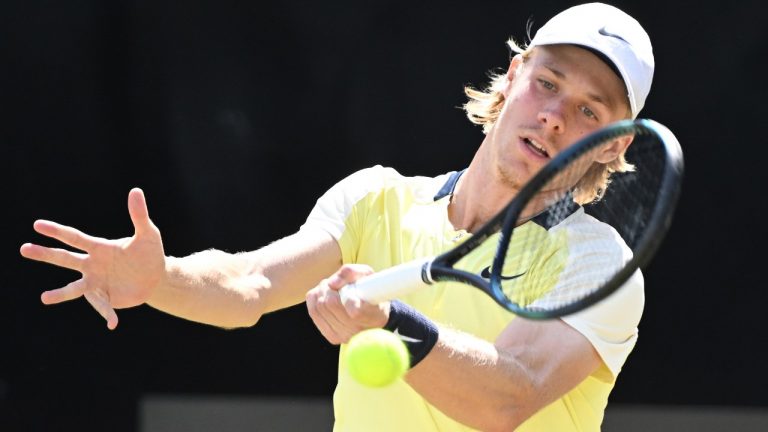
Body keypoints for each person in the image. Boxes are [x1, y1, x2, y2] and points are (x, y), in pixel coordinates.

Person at [20, 3, 655, 431]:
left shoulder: (600, 267)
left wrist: (390, 321)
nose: (554, 116)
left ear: (613, 146)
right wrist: (160, 280)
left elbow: (509, 397)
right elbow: (250, 286)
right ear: (515, 74)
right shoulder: (376, 200)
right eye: (548, 83)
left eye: (589, 112)